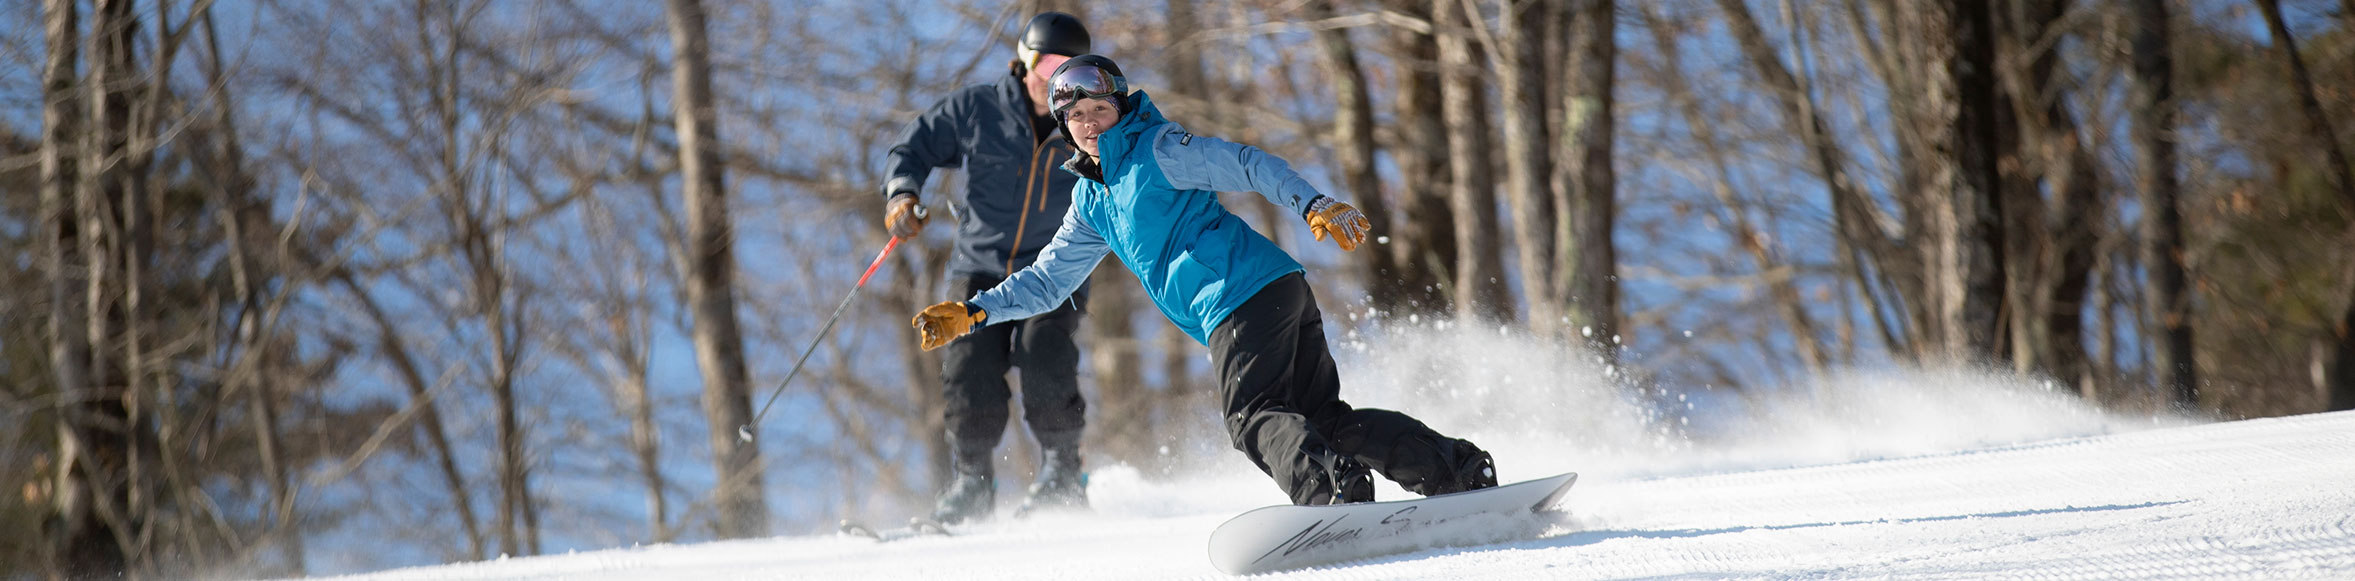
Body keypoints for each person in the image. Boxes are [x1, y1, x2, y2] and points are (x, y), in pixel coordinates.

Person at [910, 55, 1498, 506]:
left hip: (1239, 294)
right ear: (1065, 125)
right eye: (1076, 116)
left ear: (1121, 107)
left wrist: (1312, 202)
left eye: (1099, 109)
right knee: (1325, 421)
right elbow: (1046, 281)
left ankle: (1332, 491)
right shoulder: (1092, 201)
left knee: (1252, 418)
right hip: (1272, 290)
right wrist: (975, 312)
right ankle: (1457, 471)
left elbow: (1246, 162)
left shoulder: (1158, 148)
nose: (1090, 124)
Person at [881, 12, 1096, 523]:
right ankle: (972, 481)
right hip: (980, 264)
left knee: (1045, 352)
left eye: (1068, 66)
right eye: (1046, 62)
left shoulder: (1090, 121)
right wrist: (902, 194)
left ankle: (1063, 471)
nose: (1053, 76)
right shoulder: (979, 109)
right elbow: (912, 147)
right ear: (1025, 61)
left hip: (1055, 269)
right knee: (968, 364)